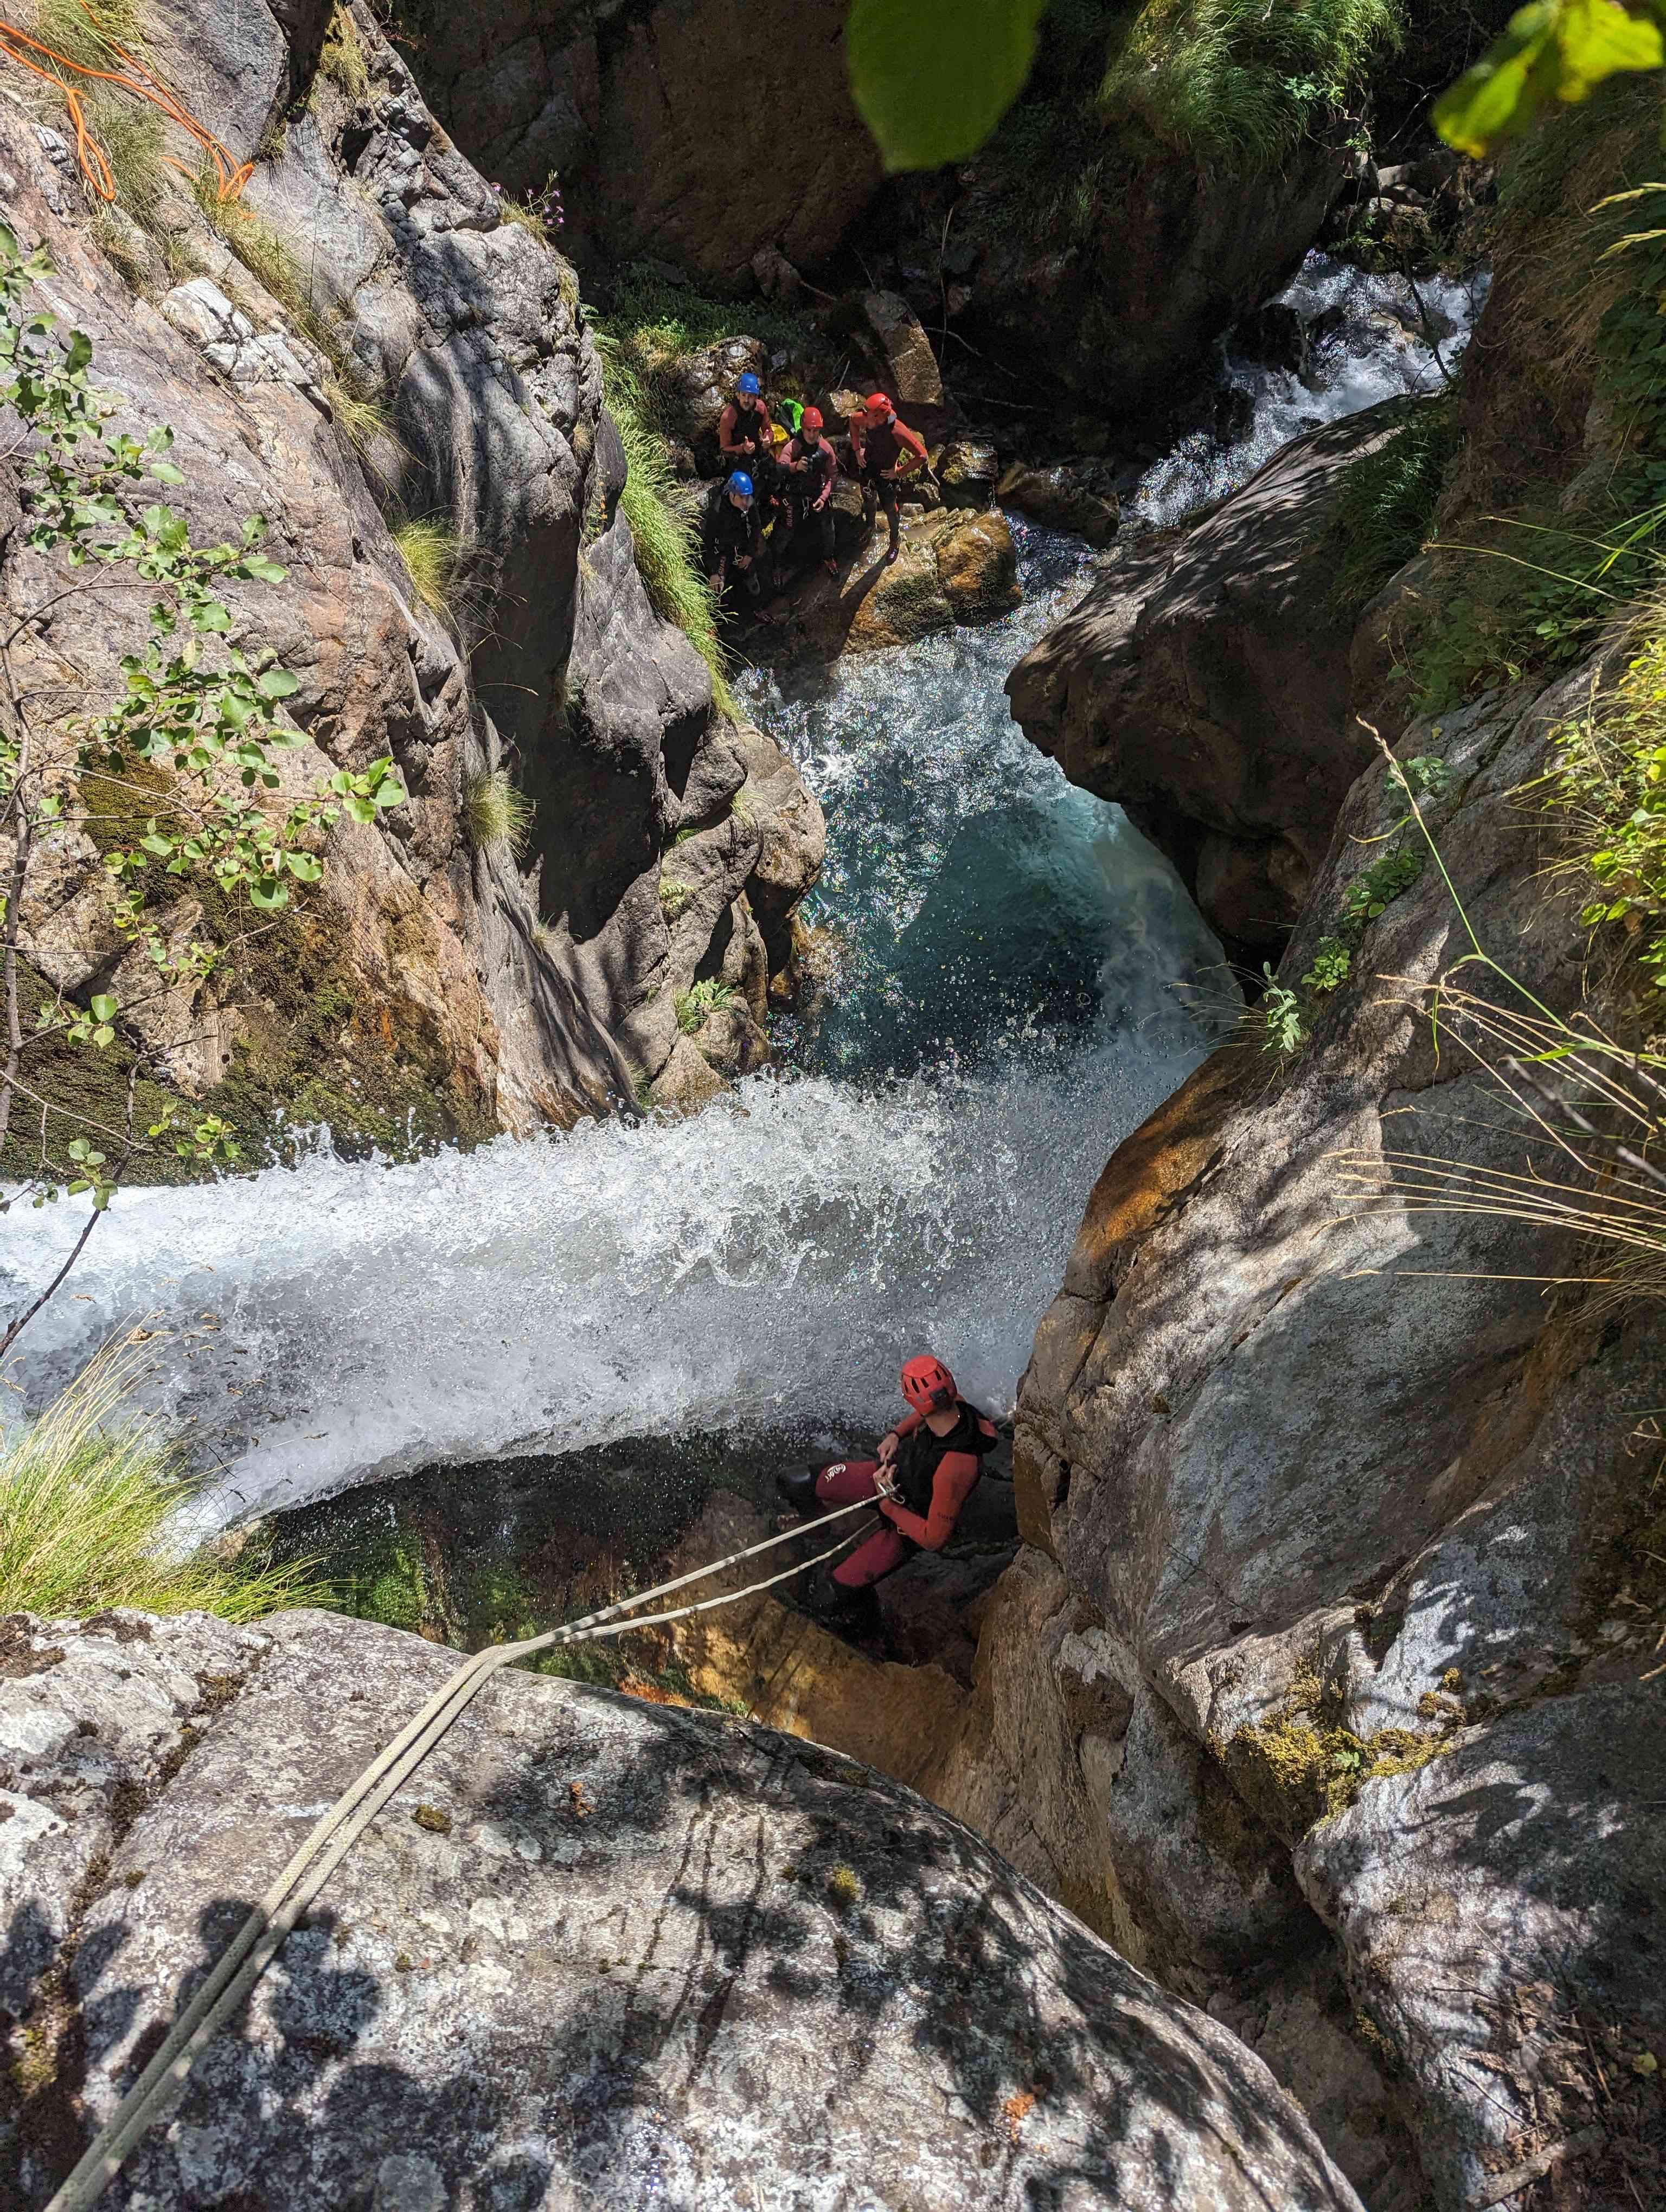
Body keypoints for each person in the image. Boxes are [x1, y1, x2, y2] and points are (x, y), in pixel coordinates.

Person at [777, 1354, 998, 1613]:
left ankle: (869, 1614)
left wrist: (888, 1505)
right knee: (794, 1481)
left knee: (825, 1598)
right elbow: (925, 1414)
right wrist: (896, 1434)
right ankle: (818, 1529)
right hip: (892, 1478)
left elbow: (934, 1539)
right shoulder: (955, 1405)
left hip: (908, 1522)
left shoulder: (956, 1467)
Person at [847, 391, 927, 564]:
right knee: (868, 499)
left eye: (872, 419)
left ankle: (895, 539)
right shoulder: (868, 418)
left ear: (882, 415)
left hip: (886, 476)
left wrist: (899, 473)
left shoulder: (898, 431)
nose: (868, 422)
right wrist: (856, 450)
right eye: (868, 417)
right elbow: (853, 421)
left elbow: (922, 456)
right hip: (868, 469)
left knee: (890, 509)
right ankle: (870, 526)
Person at [776, 404, 839, 579]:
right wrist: (795, 467)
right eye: (808, 430)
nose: (812, 435)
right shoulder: (793, 447)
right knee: (786, 531)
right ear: (802, 429)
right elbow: (779, 469)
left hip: (816, 495)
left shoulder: (826, 449)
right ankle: (777, 564)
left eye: (816, 430)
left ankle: (828, 557)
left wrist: (824, 496)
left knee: (828, 527)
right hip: (794, 496)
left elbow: (833, 476)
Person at [704, 471, 762, 612]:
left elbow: (756, 526)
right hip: (724, 550)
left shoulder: (748, 501)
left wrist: (750, 553)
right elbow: (709, 542)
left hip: (742, 545)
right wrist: (713, 571)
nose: (745, 502)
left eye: (747, 497)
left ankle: (757, 605)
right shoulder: (718, 512)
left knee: (753, 578)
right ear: (732, 494)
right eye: (742, 498)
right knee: (717, 587)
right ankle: (713, 621)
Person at [717, 371, 776, 504]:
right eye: (743, 395)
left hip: (757, 450)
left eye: (750, 396)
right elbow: (724, 450)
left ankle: (770, 500)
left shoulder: (760, 408)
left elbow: (768, 430)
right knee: (745, 484)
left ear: (756, 397)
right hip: (738, 458)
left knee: (775, 471)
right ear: (738, 395)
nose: (746, 400)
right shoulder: (729, 416)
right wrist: (743, 449)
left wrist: (768, 440)